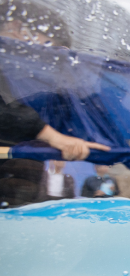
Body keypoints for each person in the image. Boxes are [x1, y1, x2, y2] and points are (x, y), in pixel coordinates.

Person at [0, 0, 110, 205]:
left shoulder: (20, 84)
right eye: (48, 51)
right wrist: (52, 137)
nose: (48, 63)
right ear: (16, 28)